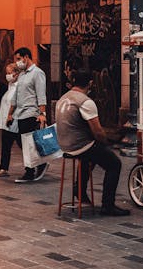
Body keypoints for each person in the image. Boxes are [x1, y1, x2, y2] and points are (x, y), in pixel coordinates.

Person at [55, 69, 130, 216]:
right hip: (79, 145)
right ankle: (107, 205)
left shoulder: (63, 97)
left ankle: (80, 189)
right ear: (90, 83)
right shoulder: (85, 102)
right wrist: (108, 143)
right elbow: (98, 132)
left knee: (93, 154)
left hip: (64, 145)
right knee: (114, 163)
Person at [7, 47, 49, 183]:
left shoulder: (38, 73)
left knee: (27, 143)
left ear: (26, 57)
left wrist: (42, 113)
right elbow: (16, 95)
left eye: (19, 59)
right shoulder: (23, 74)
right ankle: (40, 162)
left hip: (31, 113)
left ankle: (30, 171)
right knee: (22, 142)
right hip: (20, 113)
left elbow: (41, 94)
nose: (17, 62)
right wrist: (10, 113)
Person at [0, 63, 22, 177]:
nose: (8, 76)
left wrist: (10, 115)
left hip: (14, 121)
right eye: (7, 73)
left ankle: (38, 165)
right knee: (6, 145)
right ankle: (3, 168)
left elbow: (15, 103)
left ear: (17, 73)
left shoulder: (19, 87)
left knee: (23, 145)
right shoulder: (10, 85)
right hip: (7, 122)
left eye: (10, 73)